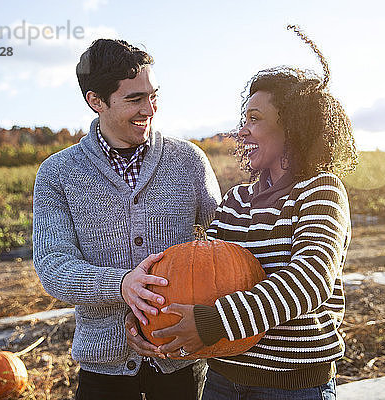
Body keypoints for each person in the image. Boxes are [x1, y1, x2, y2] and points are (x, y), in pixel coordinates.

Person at [126, 27, 358, 399]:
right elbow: (201, 275)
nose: (242, 130)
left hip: (293, 387)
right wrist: (148, 321)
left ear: (292, 128)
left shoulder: (320, 192)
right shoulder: (236, 201)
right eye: (243, 119)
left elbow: (309, 281)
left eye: (254, 119)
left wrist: (214, 321)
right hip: (222, 382)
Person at [33, 38, 221, 400]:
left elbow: (222, 247)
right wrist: (122, 286)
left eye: (154, 96)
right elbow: (53, 266)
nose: (149, 109)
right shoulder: (58, 173)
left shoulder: (189, 161)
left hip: (183, 361)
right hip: (105, 368)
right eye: (134, 99)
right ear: (96, 101)